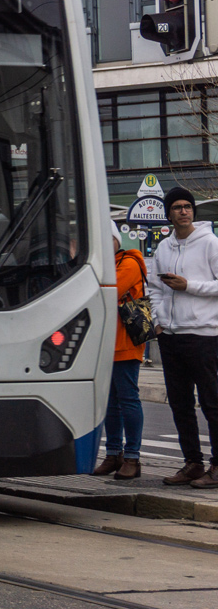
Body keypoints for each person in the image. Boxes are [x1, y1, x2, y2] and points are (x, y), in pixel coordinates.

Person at [149, 186, 218, 488]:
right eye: (177, 207)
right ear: (169, 214)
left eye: (187, 206)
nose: (183, 211)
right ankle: (193, 463)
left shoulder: (210, 243)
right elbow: (153, 288)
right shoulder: (163, 248)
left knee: (212, 403)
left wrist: (189, 285)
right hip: (171, 336)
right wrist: (159, 322)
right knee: (180, 404)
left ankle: (217, 465)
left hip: (203, 334)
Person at [94, 221, 147, 480]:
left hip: (125, 341)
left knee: (127, 399)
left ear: (117, 239)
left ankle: (132, 457)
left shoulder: (129, 263)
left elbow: (107, 292)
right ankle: (113, 454)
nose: (106, 242)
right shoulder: (100, 265)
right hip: (103, 342)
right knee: (110, 402)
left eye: (110, 237)